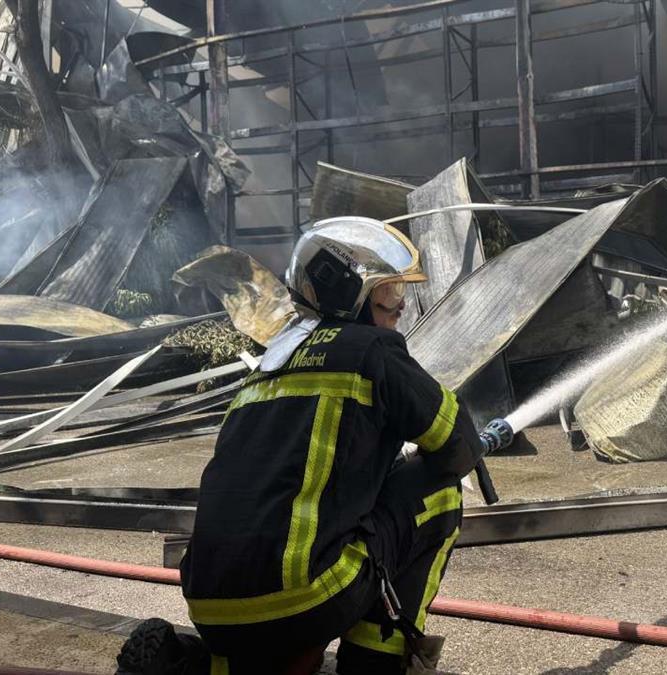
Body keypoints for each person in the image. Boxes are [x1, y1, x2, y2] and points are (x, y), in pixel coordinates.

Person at [117, 216, 486, 675]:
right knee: (439, 491)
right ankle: (376, 665)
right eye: (389, 295)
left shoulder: (266, 366)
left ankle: (202, 665)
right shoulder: (372, 349)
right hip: (304, 602)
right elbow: (457, 448)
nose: (401, 309)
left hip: (212, 610)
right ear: (352, 294)